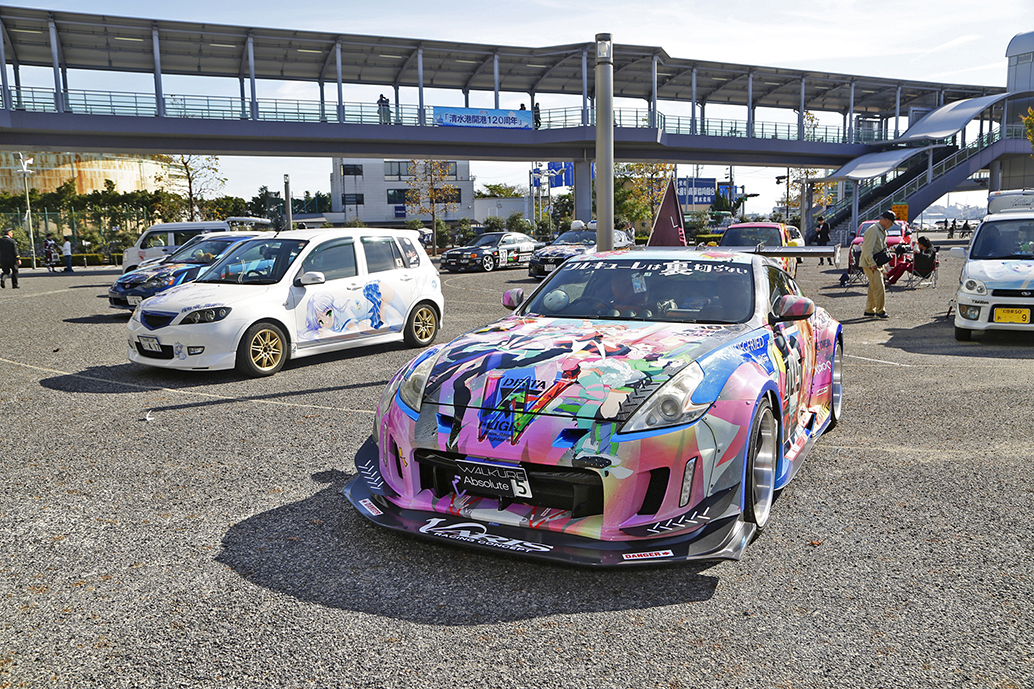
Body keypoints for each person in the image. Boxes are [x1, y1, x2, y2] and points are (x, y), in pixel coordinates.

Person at [859, 210, 893, 318]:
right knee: (879, 287)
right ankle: (880, 311)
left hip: (875, 263)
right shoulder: (874, 230)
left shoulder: (880, 230)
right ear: (886, 220)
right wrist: (872, 263)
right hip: (871, 263)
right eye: (891, 223)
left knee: (873, 287)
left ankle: (870, 310)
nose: (891, 225)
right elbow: (867, 249)